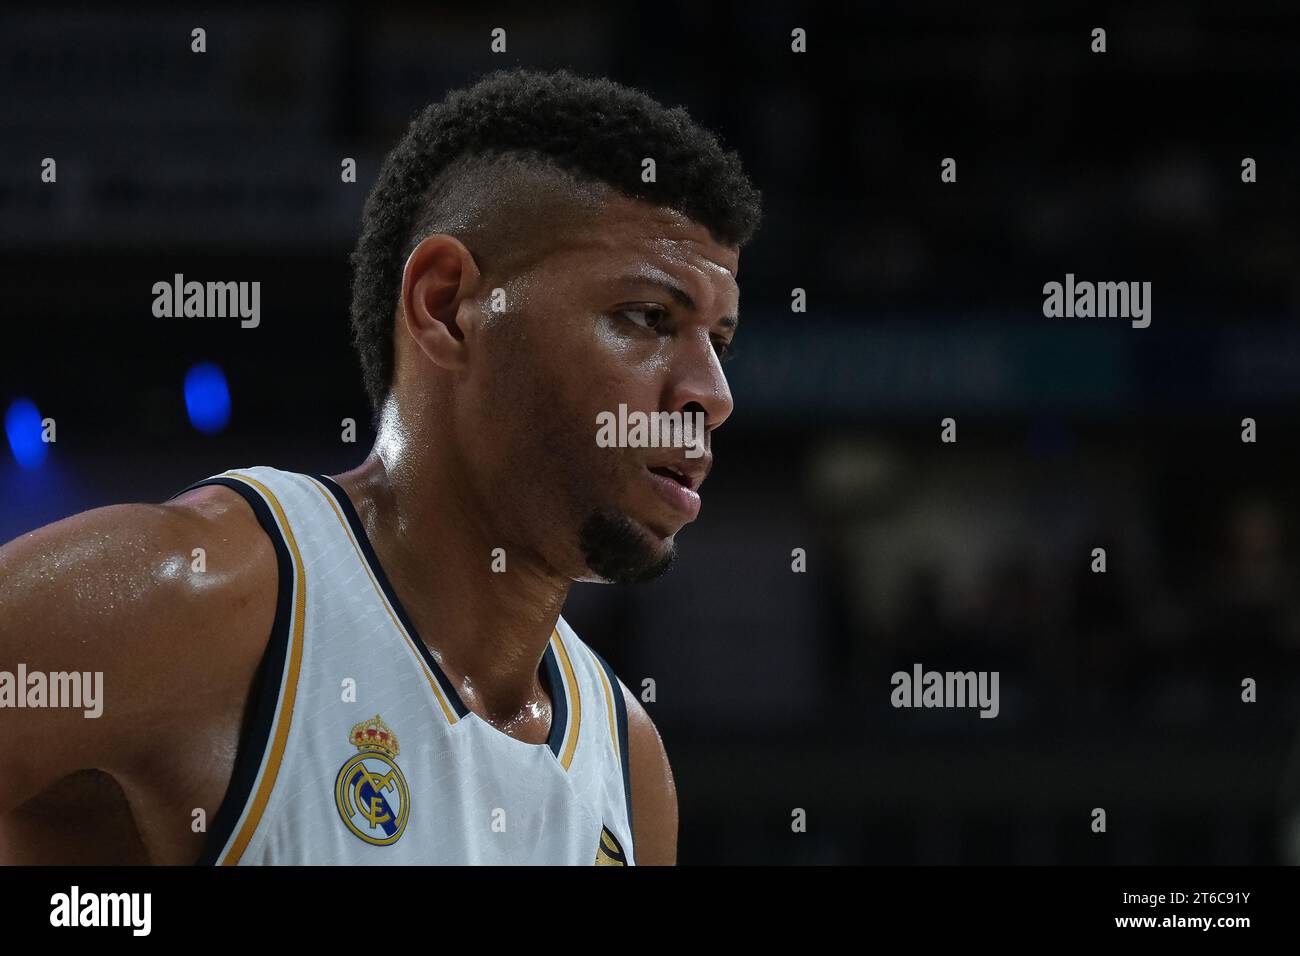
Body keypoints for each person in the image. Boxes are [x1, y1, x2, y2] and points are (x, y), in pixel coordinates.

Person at [0, 67, 762, 865]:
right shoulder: (179, 601)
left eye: (720, 341)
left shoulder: (630, 767)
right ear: (447, 305)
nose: (712, 393)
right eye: (649, 317)